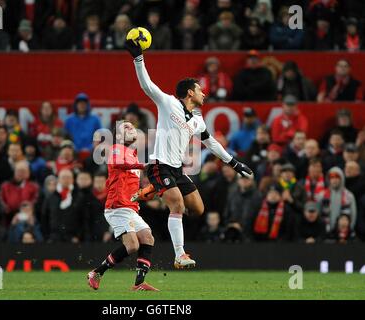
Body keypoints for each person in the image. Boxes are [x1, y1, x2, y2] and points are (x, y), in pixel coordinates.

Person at [125, 38, 252, 268]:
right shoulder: (168, 103)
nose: (204, 94)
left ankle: (154, 188)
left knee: (198, 209)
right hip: (159, 165)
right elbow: (147, 85)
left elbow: (211, 143)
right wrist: (138, 58)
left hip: (177, 170)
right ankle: (179, 255)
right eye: (200, 90)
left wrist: (234, 163)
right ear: (190, 92)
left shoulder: (197, 121)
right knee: (177, 206)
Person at [87, 121, 158, 292]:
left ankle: (139, 283)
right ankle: (96, 272)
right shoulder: (116, 149)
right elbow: (119, 163)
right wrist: (145, 165)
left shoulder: (133, 155)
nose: (131, 128)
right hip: (117, 206)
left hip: (130, 207)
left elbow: (131, 187)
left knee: (147, 237)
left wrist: (146, 192)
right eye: (125, 127)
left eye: (133, 126)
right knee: (133, 245)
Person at [0, 161, 39, 225]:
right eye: (19, 171)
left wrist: (28, 208)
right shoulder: (5, 186)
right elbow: (0, 200)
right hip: (8, 217)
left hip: (28, 217)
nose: (21, 174)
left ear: (28, 173)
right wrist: (7, 209)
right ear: (14, 172)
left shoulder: (34, 187)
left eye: (23, 171)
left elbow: (36, 200)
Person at [317, 167, 357, 233]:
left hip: (344, 233)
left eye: (337, 177)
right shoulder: (322, 195)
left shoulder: (349, 196)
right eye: (332, 178)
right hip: (325, 232)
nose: (334, 180)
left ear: (342, 179)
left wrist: (349, 230)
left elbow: (353, 215)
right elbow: (318, 214)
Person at [223, 174, 261, 242]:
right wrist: (231, 225)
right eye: (242, 178)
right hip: (233, 234)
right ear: (238, 180)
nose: (244, 180)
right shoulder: (232, 195)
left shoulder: (258, 196)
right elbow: (226, 214)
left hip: (251, 236)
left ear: (252, 180)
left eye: (247, 178)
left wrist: (242, 226)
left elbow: (258, 217)